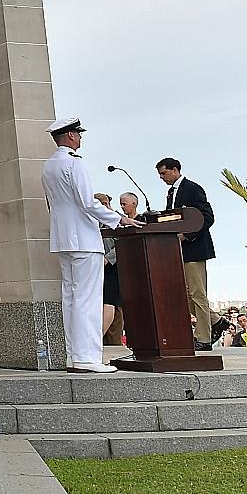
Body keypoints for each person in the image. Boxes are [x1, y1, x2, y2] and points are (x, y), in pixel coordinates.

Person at [42, 116, 141, 373]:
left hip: (63, 238)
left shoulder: (49, 165)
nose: (81, 138)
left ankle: (74, 356)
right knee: (87, 298)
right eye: (79, 134)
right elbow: (87, 202)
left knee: (72, 299)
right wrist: (120, 219)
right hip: (84, 239)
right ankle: (88, 358)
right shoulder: (74, 163)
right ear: (72, 136)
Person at [157, 157, 216, 350]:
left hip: (194, 248)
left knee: (198, 293)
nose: (162, 178)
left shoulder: (192, 189)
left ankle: (204, 338)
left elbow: (206, 217)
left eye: (164, 173)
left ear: (175, 170)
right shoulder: (171, 193)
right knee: (185, 294)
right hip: (177, 250)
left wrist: (186, 235)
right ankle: (216, 321)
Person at [103, 192, 137, 344]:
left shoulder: (130, 220)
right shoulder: (103, 220)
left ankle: (105, 339)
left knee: (111, 304)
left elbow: (119, 244)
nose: (122, 207)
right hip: (105, 267)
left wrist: (107, 259)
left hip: (116, 266)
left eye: (125, 204)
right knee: (112, 306)